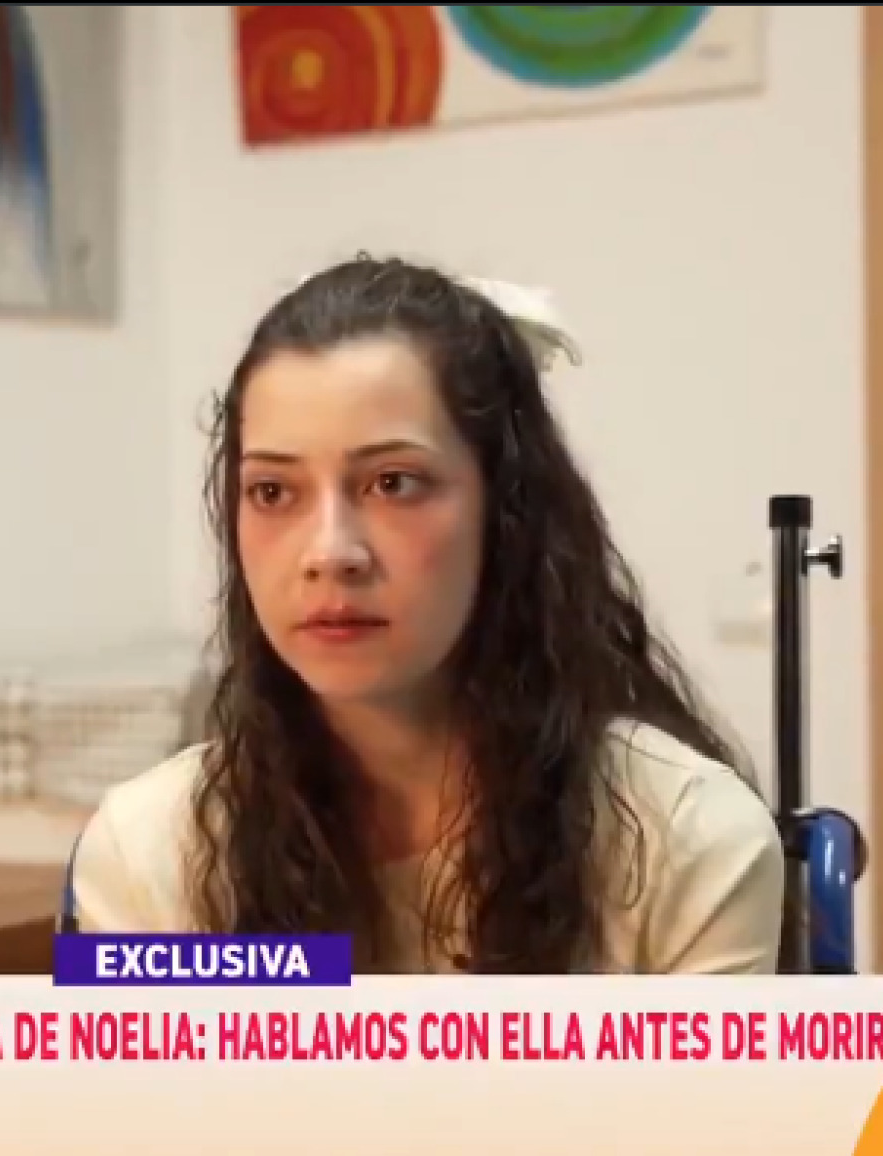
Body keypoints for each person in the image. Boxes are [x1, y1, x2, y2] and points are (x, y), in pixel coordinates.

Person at [72, 256, 784, 974]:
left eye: (393, 483)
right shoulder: (148, 853)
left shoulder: (686, 840)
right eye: (273, 492)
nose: (330, 553)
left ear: (506, 511)